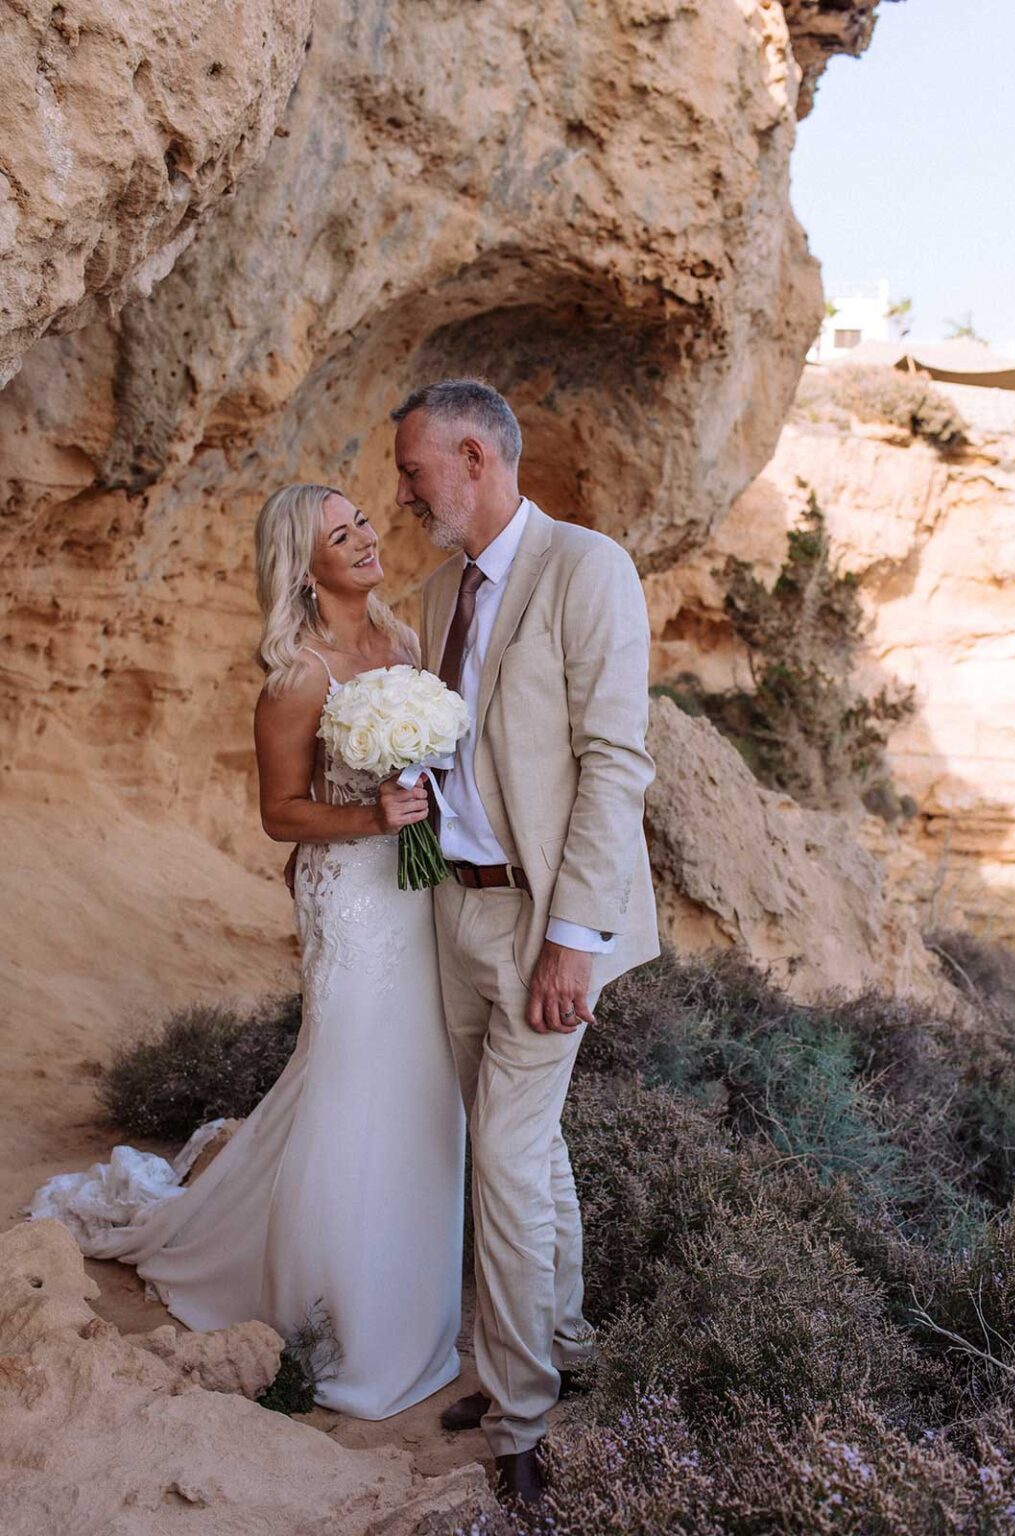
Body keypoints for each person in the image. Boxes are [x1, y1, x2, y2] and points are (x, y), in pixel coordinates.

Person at [28, 483, 465, 1421]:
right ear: (302, 569)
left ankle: (409, 1303)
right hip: (351, 899)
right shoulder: (296, 676)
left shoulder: (404, 641)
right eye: (338, 536)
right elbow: (280, 814)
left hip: (418, 892)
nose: (365, 540)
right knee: (351, 1086)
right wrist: (373, 817)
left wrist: (418, 810)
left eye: (361, 522)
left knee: (419, 1087)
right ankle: (333, 1324)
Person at [392, 379, 659, 1504]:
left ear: (474, 457)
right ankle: (561, 1344)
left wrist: (573, 939)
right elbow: (449, 754)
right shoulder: (436, 590)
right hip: (453, 911)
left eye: (414, 474)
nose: (405, 496)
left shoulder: (585, 569)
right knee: (527, 1150)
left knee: (501, 1157)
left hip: (546, 922)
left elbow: (614, 763)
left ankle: (520, 1420)